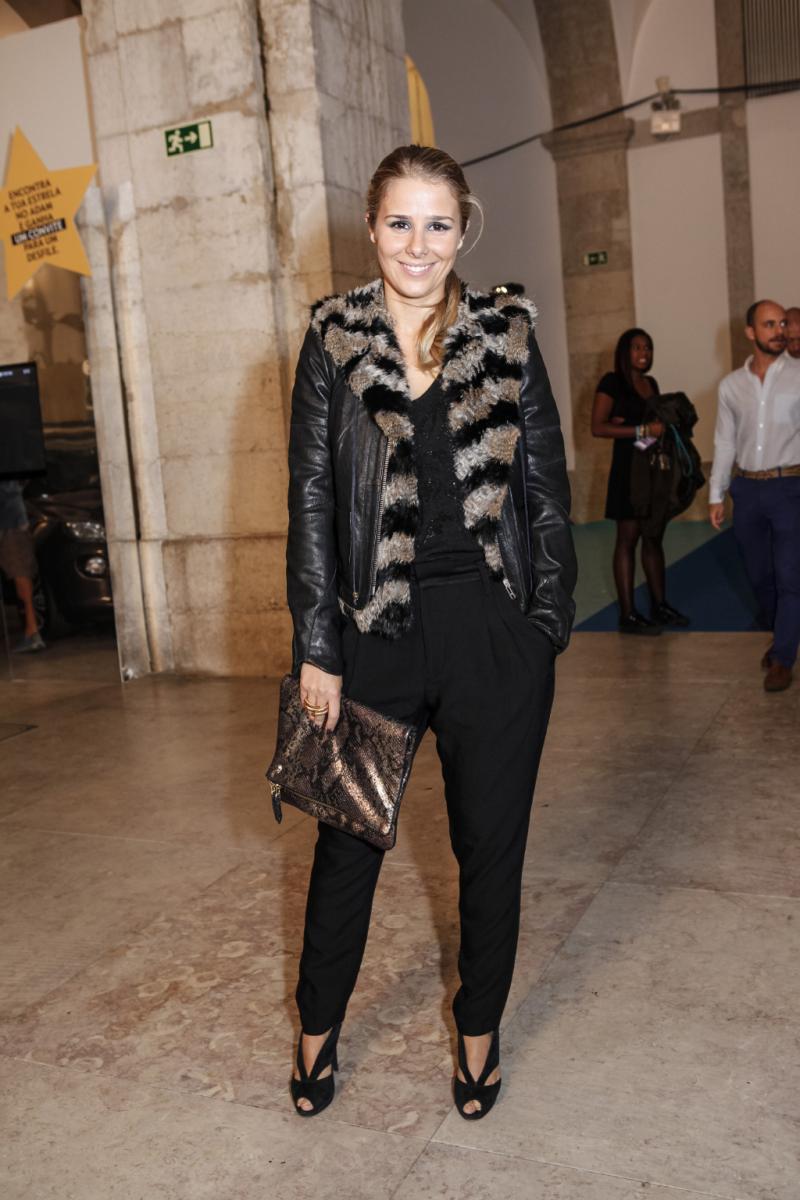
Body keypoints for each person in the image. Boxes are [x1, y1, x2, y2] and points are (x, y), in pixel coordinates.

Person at [285, 145, 576, 1120]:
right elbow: (312, 499)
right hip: (373, 631)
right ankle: (316, 1031)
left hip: (493, 633)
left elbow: (546, 486)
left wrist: (543, 625)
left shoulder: (504, 333)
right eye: (400, 222)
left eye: (438, 223)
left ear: (463, 228)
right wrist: (317, 645)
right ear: (371, 227)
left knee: (489, 852)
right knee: (346, 847)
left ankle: (477, 1034)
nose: (418, 244)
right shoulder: (333, 339)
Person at [709, 299, 800, 692]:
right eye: (769, 324)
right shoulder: (731, 386)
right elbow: (725, 441)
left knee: (790, 576)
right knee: (760, 575)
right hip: (746, 489)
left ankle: (783, 657)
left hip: (789, 487)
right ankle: (783, 633)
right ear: (751, 332)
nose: (780, 331)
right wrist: (717, 493)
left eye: (782, 324)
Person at [591, 329, 690, 634]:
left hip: (651, 470)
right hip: (627, 472)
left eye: (647, 347)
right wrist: (642, 430)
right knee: (628, 538)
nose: (643, 352)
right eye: (636, 347)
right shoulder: (612, 382)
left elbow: (651, 429)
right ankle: (628, 614)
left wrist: (652, 431)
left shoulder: (651, 384)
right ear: (624, 351)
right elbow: (598, 427)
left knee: (653, 536)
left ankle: (660, 605)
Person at [0, 480, 45, 653]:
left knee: (20, 574)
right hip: (14, 524)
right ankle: (32, 632)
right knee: (21, 574)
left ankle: (32, 633)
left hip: (11, 527)